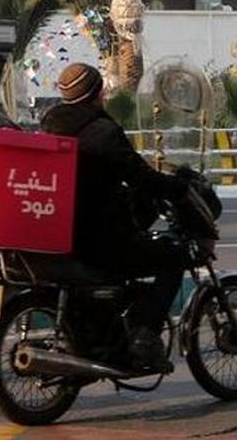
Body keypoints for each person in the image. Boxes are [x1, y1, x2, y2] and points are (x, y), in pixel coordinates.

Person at [40, 62, 188, 370]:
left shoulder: (50, 127)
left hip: (61, 233)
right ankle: (144, 336)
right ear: (98, 93)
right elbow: (138, 175)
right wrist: (176, 186)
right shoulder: (102, 132)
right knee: (173, 256)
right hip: (99, 237)